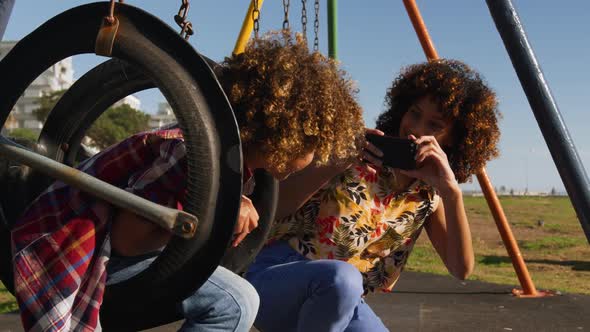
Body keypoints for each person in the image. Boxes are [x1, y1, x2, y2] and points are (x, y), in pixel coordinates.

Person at [10, 31, 365, 332]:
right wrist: (221, 211)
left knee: (237, 295)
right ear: (283, 134)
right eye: (312, 145)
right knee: (237, 301)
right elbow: (127, 240)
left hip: (124, 250)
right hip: (82, 247)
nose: (313, 159)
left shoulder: (239, 170)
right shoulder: (189, 156)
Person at [245, 59, 501, 332]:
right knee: (343, 278)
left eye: (434, 124)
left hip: (342, 299)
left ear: (453, 139)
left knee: (345, 285)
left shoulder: (428, 197)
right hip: (274, 277)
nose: (416, 128)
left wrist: (451, 192)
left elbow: (461, 269)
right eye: (414, 113)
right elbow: (273, 211)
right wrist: (334, 162)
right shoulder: (355, 153)